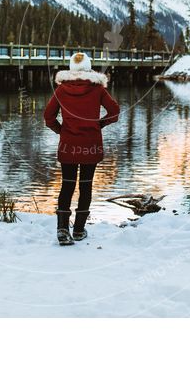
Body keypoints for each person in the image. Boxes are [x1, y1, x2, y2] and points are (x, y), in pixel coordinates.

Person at [44, 52, 119, 246]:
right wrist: (98, 125)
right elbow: (114, 111)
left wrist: (61, 131)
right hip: (90, 145)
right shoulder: (98, 89)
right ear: (88, 67)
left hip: (68, 145)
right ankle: (78, 230)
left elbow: (48, 116)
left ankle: (62, 230)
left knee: (67, 185)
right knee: (86, 185)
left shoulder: (61, 90)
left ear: (71, 68)